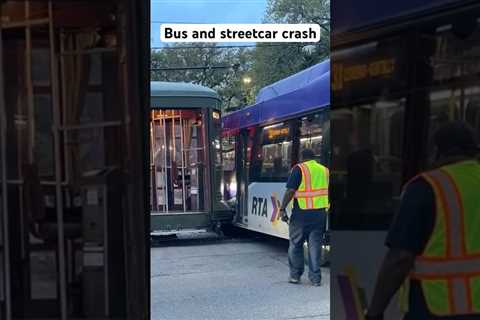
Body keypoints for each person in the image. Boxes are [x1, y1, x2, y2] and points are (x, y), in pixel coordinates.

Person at [365, 121, 480, 320]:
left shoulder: (427, 187)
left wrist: (374, 312)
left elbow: (400, 259)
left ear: (436, 151)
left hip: (437, 308)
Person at [279, 148, 329, 286]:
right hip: (320, 214)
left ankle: (295, 275)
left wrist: (282, 208)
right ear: (314, 157)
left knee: (296, 244)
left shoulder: (299, 169)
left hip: (301, 213)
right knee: (315, 246)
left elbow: (290, 191)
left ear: (302, 157)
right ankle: (316, 279)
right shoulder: (324, 170)